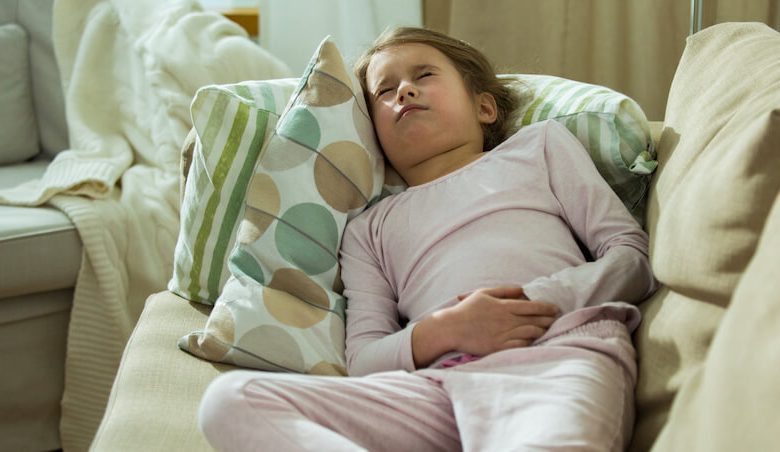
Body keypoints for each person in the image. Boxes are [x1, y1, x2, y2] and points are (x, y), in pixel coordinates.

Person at [199, 26, 658, 451]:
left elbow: (631, 258)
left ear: (484, 107)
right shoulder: (369, 230)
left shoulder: (539, 148)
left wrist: (528, 304)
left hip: (552, 360)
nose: (404, 90)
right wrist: (447, 330)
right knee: (231, 399)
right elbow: (362, 360)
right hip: (435, 388)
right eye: (384, 90)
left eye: (424, 75)